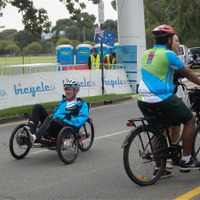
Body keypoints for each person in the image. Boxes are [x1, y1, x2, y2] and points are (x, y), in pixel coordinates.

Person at [137, 24, 200, 176]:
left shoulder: (146, 54)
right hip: (162, 98)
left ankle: (159, 168)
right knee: (190, 120)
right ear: (169, 40)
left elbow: (161, 72)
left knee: (157, 130)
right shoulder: (169, 55)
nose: (176, 43)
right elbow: (188, 73)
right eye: (175, 40)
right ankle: (186, 160)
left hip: (142, 99)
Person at [23, 79, 89, 145]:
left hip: (66, 126)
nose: (67, 91)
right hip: (55, 124)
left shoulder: (81, 104)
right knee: (37, 107)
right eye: (66, 89)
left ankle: (34, 137)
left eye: (70, 89)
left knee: (50, 119)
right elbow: (55, 114)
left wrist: (70, 120)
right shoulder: (61, 103)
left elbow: (82, 117)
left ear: (76, 91)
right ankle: (31, 134)